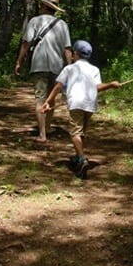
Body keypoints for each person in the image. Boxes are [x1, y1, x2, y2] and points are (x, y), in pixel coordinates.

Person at [41, 40, 121, 178]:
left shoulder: (69, 68)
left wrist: (48, 101)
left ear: (75, 54)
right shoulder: (94, 69)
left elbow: (59, 86)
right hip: (90, 104)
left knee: (74, 133)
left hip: (76, 103)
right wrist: (110, 85)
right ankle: (78, 158)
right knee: (81, 131)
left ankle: (81, 158)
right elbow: (98, 87)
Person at [15, 0, 72, 142]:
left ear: (44, 6)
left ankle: (42, 134)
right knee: (51, 99)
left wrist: (19, 61)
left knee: (40, 99)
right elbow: (67, 49)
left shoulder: (35, 21)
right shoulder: (62, 24)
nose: (39, 7)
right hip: (57, 66)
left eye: (41, 5)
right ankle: (47, 127)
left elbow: (26, 43)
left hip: (39, 65)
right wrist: (70, 67)